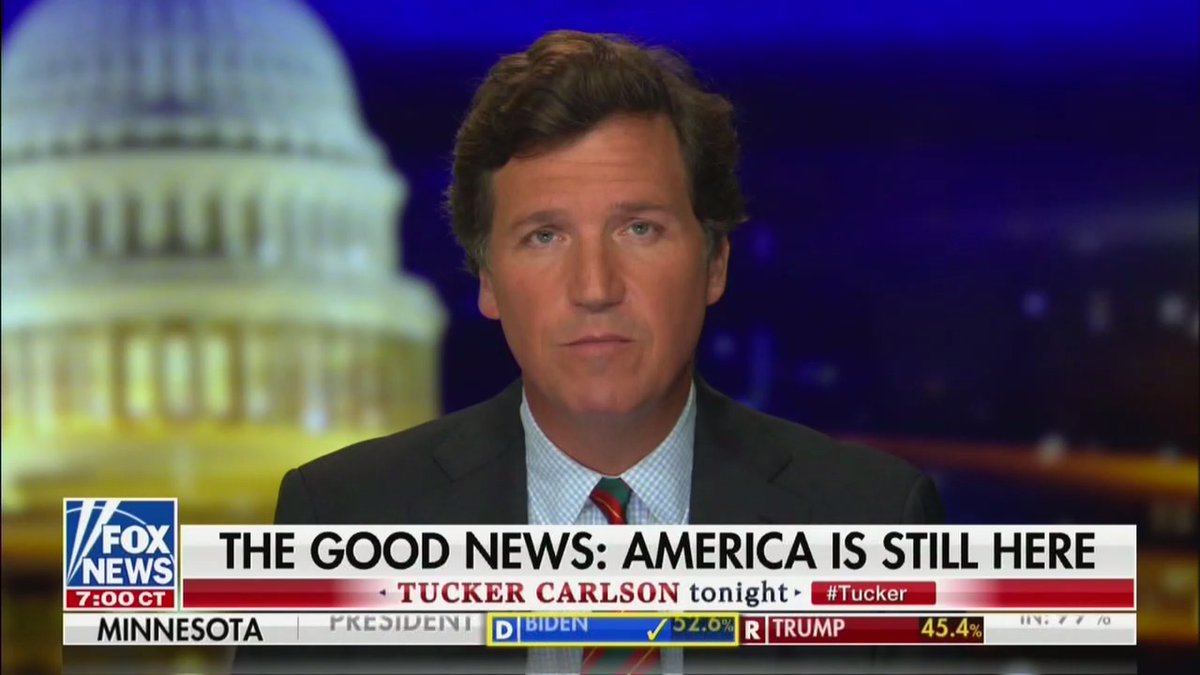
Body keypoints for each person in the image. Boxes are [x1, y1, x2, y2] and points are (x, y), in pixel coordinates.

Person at [240, 29, 943, 675]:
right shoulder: (342, 519)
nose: (595, 288)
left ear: (714, 263)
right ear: (488, 280)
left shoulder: (875, 520)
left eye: (639, 229)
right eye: (544, 236)